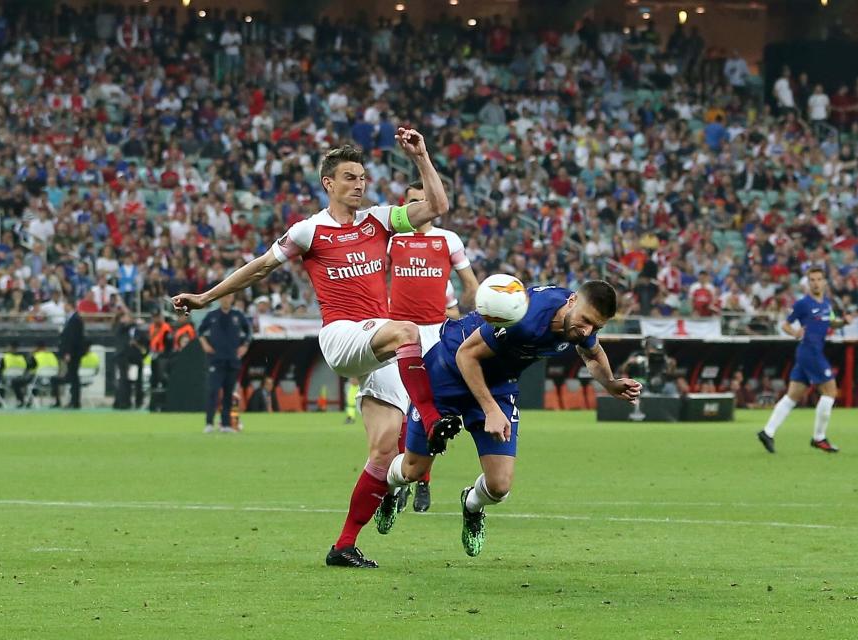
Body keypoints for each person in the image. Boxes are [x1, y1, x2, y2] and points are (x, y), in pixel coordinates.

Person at [171, 131, 463, 569]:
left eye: (362, 176)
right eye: (349, 177)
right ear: (328, 183)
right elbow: (259, 268)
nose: (359, 184)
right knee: (410, 333)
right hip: (344, 336)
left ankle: (344, 545)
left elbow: (437, 207)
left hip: (376, 341)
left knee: (387, 455)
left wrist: (421, 156)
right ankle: (433, 416)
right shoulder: (309, 230)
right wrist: (205, 298)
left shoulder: (379, 220)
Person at [377, 281, 641, 557]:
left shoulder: (578, 326)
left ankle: (471, 504)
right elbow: (467, 355)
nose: (587, 331)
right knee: (413, 471)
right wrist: (490, 409)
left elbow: (593, 352)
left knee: (499, 486)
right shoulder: (525, 320)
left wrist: (610, 383)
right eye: (586, 322)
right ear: (572, 301)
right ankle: (391, 490)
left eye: (596, 327)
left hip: (499, 383)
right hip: (450, 370)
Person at [388, 180, 479, 513]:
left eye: (423, 200)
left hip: (435, 334)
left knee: (429, 413)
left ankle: (422, 481)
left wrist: (475, 318)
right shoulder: (392, 239)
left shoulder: (448, 239)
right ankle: (399, 482)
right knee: (400, 413)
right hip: (398, 332)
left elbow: (471, 285)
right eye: (412, 202)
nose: (418, 207)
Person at [757, 267, 848, 454]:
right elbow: (785, 324)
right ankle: (819, 438)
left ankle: (767, 432)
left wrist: (843, 322)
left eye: (819, 279)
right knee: (830, 392)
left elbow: (830, 322)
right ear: (808, 283)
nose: (816, 283)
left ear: (824, 282)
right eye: (812, 279)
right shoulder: (803, 304)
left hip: (810, 353)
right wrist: (794, 332)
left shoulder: (826, 304)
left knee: (793, 396)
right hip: (810, 352)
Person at [200, 293, 252, 433]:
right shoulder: (212, 316)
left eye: (228, 297)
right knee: (213, 391)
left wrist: (245, 346)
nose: (226, 299)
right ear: (219, 299)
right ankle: (209, 423)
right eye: (223, 296)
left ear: (232, 298)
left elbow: (248, 333)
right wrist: (204, 343)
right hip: (216, 360)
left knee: (228, 393)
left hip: (232, 360)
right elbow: (200, 331)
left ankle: (225, 424)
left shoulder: (238, 316)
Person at [58, 298, 86, 409]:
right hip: (73, 353)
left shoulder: (75, 320)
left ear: (70, 305)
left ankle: (75, 401)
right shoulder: (72, 319)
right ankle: (74, 400)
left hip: (73, 354)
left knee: (74, 377)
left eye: (65, 304)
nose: (63, 307)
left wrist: (68, 352)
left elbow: (73, 338)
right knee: (73, 376)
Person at [148, 308, 173, 392]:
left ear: (161, 317)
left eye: (157, 317)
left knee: (163, 377)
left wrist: (164, 354)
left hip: (163, 357)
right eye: (154, 317)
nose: (155, 319)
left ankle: (166, 399)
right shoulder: (152, 327)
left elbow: (169, 344)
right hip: (154, 355)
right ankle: (154, 400)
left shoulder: (166, 328)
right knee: (153, 377)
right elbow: (150, 341)